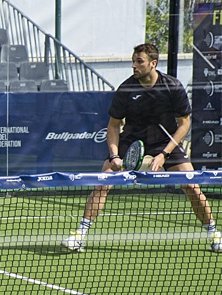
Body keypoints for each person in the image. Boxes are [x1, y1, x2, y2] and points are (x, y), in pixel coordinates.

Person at [61, 43, 220, 253]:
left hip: (165, 142)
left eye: (139, 62)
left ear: (153, 63)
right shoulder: (126, 88)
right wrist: (115, 155)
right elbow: (113, 126)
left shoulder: (172, 86)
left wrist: (164, 154)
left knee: (191, 185)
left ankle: (215, 234)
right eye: (133, 62)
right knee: (103, 182)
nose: (134, 66)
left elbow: (184, 124)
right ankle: (79, 235)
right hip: (132, 141)